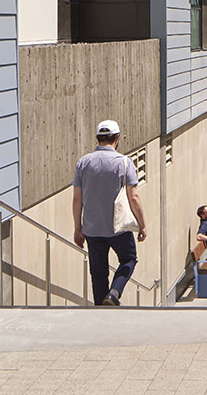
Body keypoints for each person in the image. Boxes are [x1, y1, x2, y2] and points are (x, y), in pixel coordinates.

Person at [72, 119, 147, 306]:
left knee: (98, 272)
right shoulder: (124, 162)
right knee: (129, 259)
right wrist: (142, 225)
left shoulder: (83, 162)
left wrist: (77, 228)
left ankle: (100, 308)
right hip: (118, 228)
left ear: (97, 138)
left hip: (91, 228)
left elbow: (76, 199)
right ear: (117, 138)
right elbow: (134, 196)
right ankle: (114, 293)